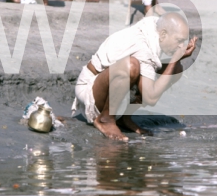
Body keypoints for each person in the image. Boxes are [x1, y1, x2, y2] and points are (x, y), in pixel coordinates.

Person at [73, 12, 198, 142]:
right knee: (131, 66)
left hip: (110, 83)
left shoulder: (156, 26)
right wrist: (174, 59)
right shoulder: (143, 47)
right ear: (163, 34)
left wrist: (176, 61)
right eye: (179, 41)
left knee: (176, 69)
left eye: (183, 42)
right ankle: (106, 119)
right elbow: (151, 98)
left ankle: (123, 117)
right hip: (89, 88)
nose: (181, 47)